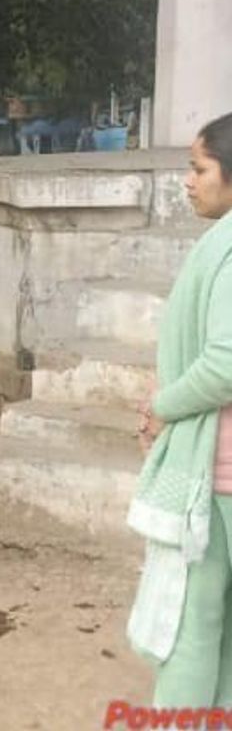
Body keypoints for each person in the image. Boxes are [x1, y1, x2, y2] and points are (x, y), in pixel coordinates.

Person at [129, 111, 232, 707]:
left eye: (199, 168)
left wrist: (164, 406)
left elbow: (225, 364)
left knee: (189, 631)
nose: (187, 181)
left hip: (218, 477)